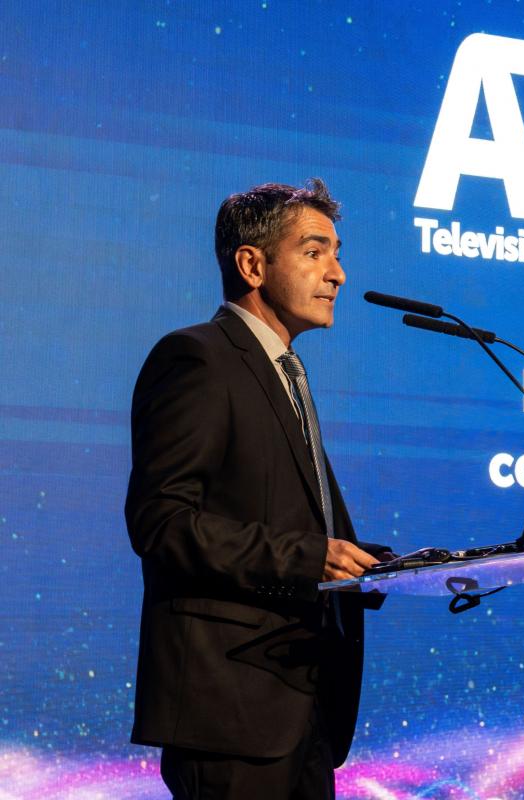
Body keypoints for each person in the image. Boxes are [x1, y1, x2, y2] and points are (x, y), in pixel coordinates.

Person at [125, 179, 389, 799]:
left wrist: (391, 566)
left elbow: (290, 518)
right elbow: (161, 524)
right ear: (252, 263)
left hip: (304, 705)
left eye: (337, 252)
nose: (339, 274)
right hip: (229, 710)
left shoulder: (284, 374)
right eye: (315, 251)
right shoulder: (197, 359)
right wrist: (308, 557)